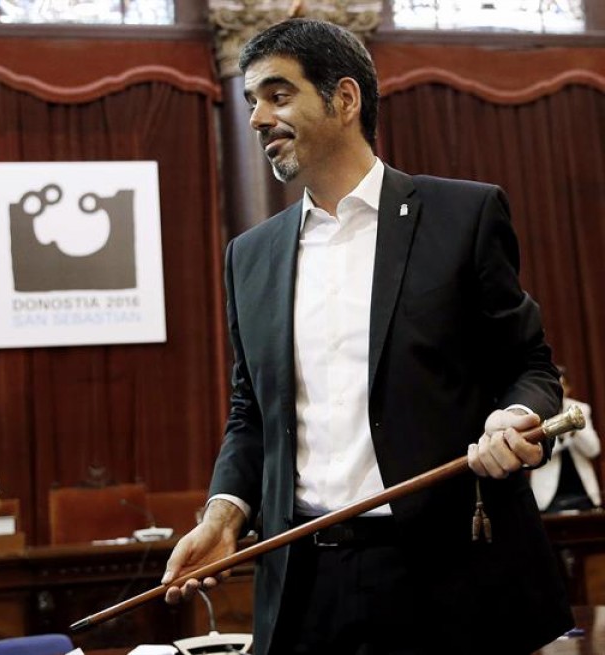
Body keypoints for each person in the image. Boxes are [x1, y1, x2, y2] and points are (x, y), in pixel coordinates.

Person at [161, 18, 572, 655]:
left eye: (278, 95)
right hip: (305, 580)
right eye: (251, 103)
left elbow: (531, 365)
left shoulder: (462, 216)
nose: (258, 119)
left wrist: (513, 418)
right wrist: (224, 514)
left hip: (447, 577)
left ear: (345, 99)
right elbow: (251, 415)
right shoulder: (250, 256)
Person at [531, 368, 601, 512]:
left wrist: (575, 430)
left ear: (568, 388)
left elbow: (594, 450)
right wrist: (562, 434)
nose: (558, 389)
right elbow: (536, 454)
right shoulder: (536, 412)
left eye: (562, 384)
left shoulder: (581, 408)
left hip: (583, 494)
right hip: (548, 496)